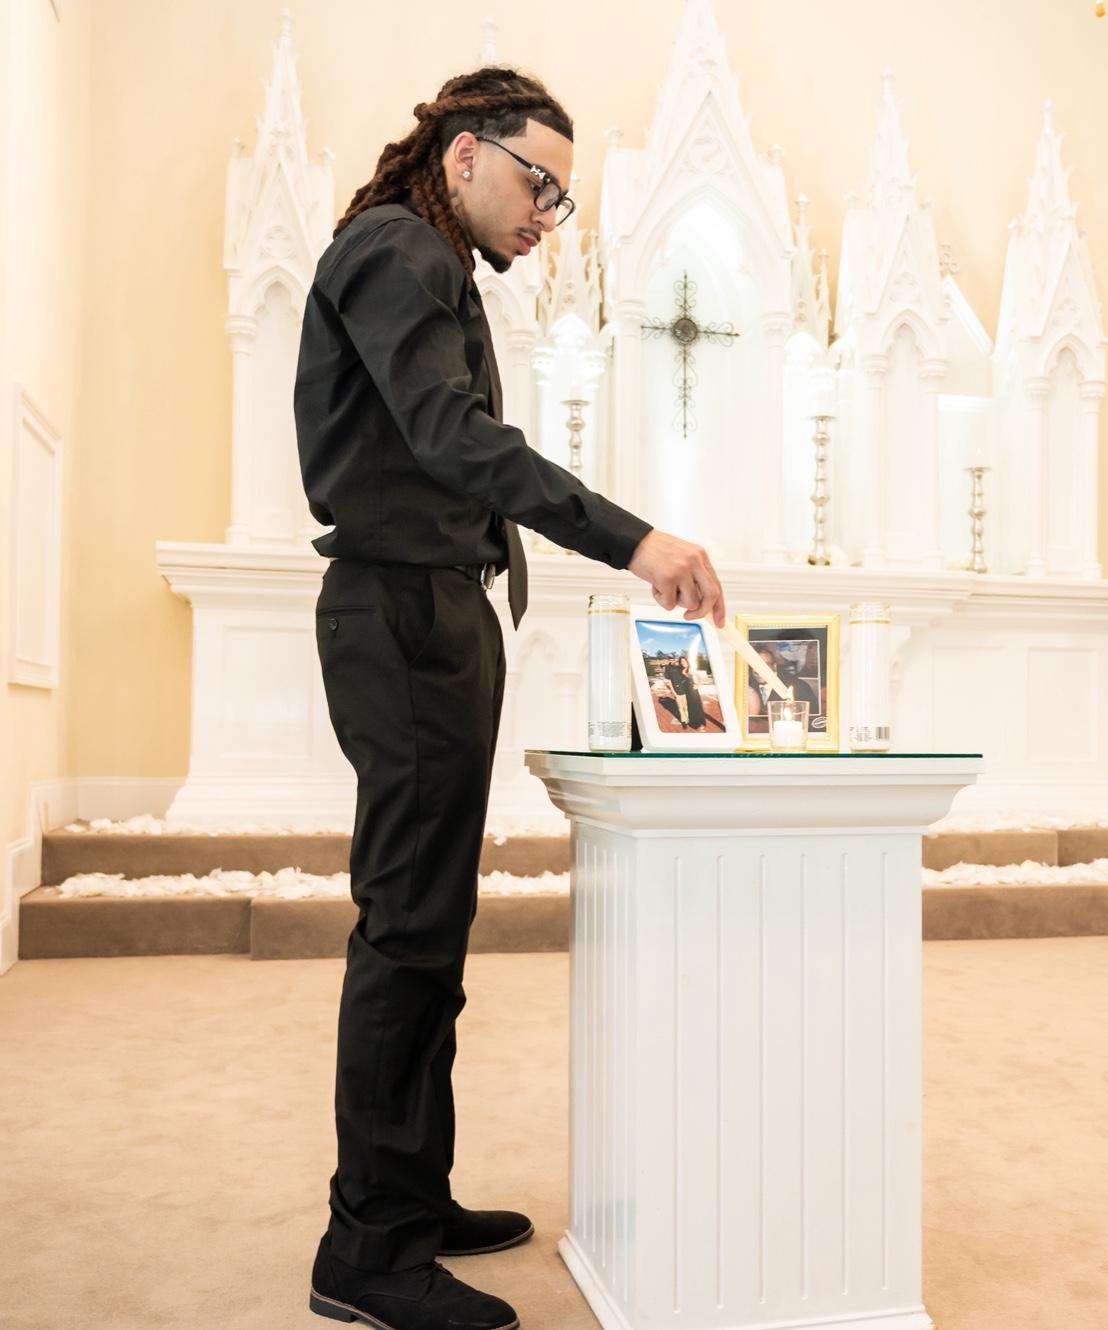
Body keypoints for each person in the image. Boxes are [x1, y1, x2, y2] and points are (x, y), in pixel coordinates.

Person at [293, 66, 725, 1330]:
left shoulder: (426, 260)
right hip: (401, 617)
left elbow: (439, 443)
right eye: (541, 184)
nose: (548, 214)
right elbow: (452, 437)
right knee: (406, 930)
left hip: (433, 615)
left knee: (432, 926)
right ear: (467, 153)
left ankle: (408, 1197)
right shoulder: (397, 249)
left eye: (561, 198)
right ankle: (367, 1249)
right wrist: (633, 538)